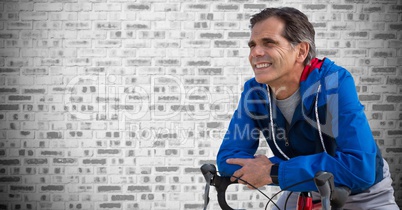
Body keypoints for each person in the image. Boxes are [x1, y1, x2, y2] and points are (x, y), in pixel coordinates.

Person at [216, 7, 399, 209]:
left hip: (361, 191)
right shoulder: (254, 91)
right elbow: (229, 158)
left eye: (269, 43)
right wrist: (267, 170)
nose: (255, 53)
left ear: (301, 51)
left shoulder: (334, 82)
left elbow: (360, 168)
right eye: (252, 45)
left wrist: (273, 171)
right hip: (303, 185)